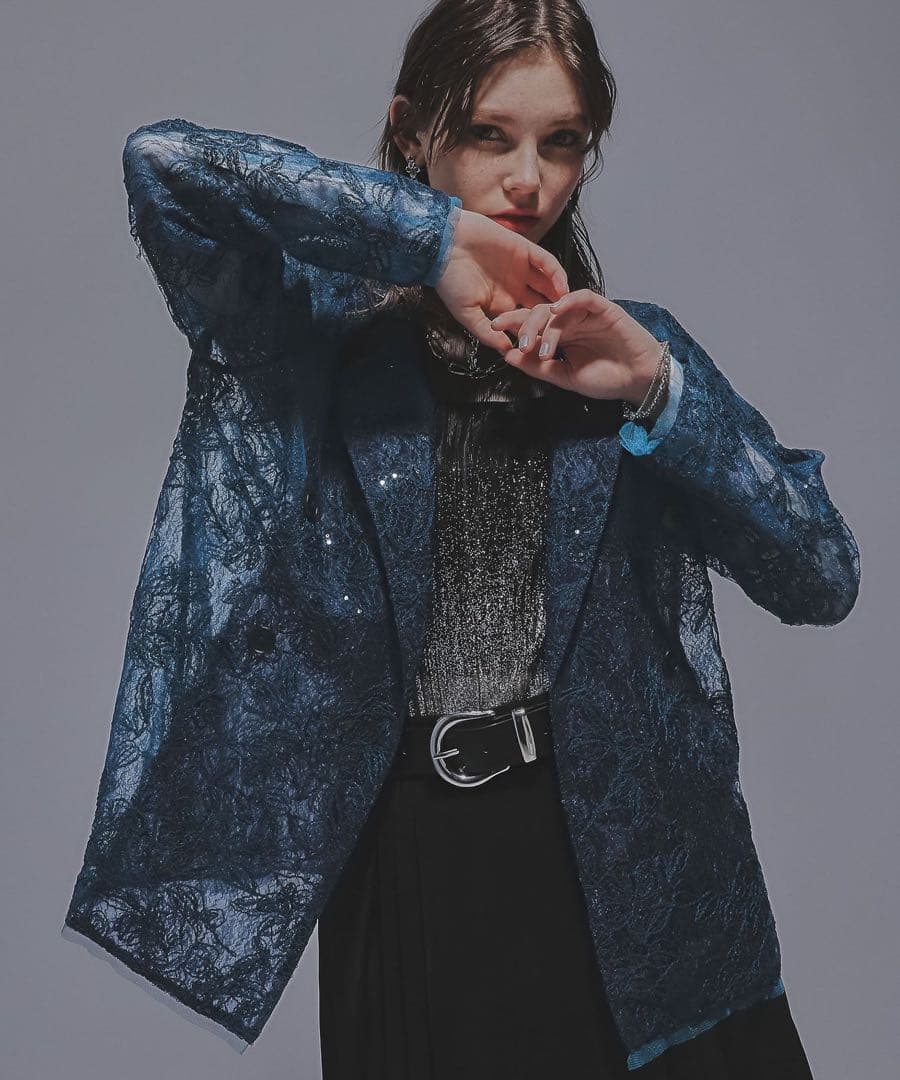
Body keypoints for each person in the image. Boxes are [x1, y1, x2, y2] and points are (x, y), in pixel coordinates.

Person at [62, 1, 859, 1077]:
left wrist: (659, 391)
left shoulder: (632, 354)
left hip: (640, 873)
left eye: (561, 141)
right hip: (415, 867)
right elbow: (166, 167)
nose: (528, 181)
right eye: (490, 134)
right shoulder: (309, 344)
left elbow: (821, 573)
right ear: (411, 132)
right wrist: (429, 238)